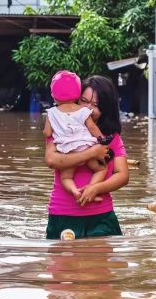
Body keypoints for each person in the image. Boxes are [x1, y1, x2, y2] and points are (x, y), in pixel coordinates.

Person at [44, 75, 129, 239]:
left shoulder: (111, 137)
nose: (89, 109)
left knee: (101, 265)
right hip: (62, 214)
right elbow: (51, 160)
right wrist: (91, 153)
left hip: (101, 216)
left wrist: (95, 188)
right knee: (61, 265)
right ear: (75, 99)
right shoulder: (60, 131)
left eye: (96, 105)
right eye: (84, 101)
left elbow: (123, 175)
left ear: (106, 108)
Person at [43, 70, 112, 201]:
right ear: (77, 96)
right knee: (101, 170)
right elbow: (92, 127)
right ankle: (90, 190)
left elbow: (47, 133)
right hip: (86, 146)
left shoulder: (51, 113)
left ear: (53, 96)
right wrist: (102, 141)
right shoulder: (84, 111)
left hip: (67, 150)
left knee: (66, 177)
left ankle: (76, 191)